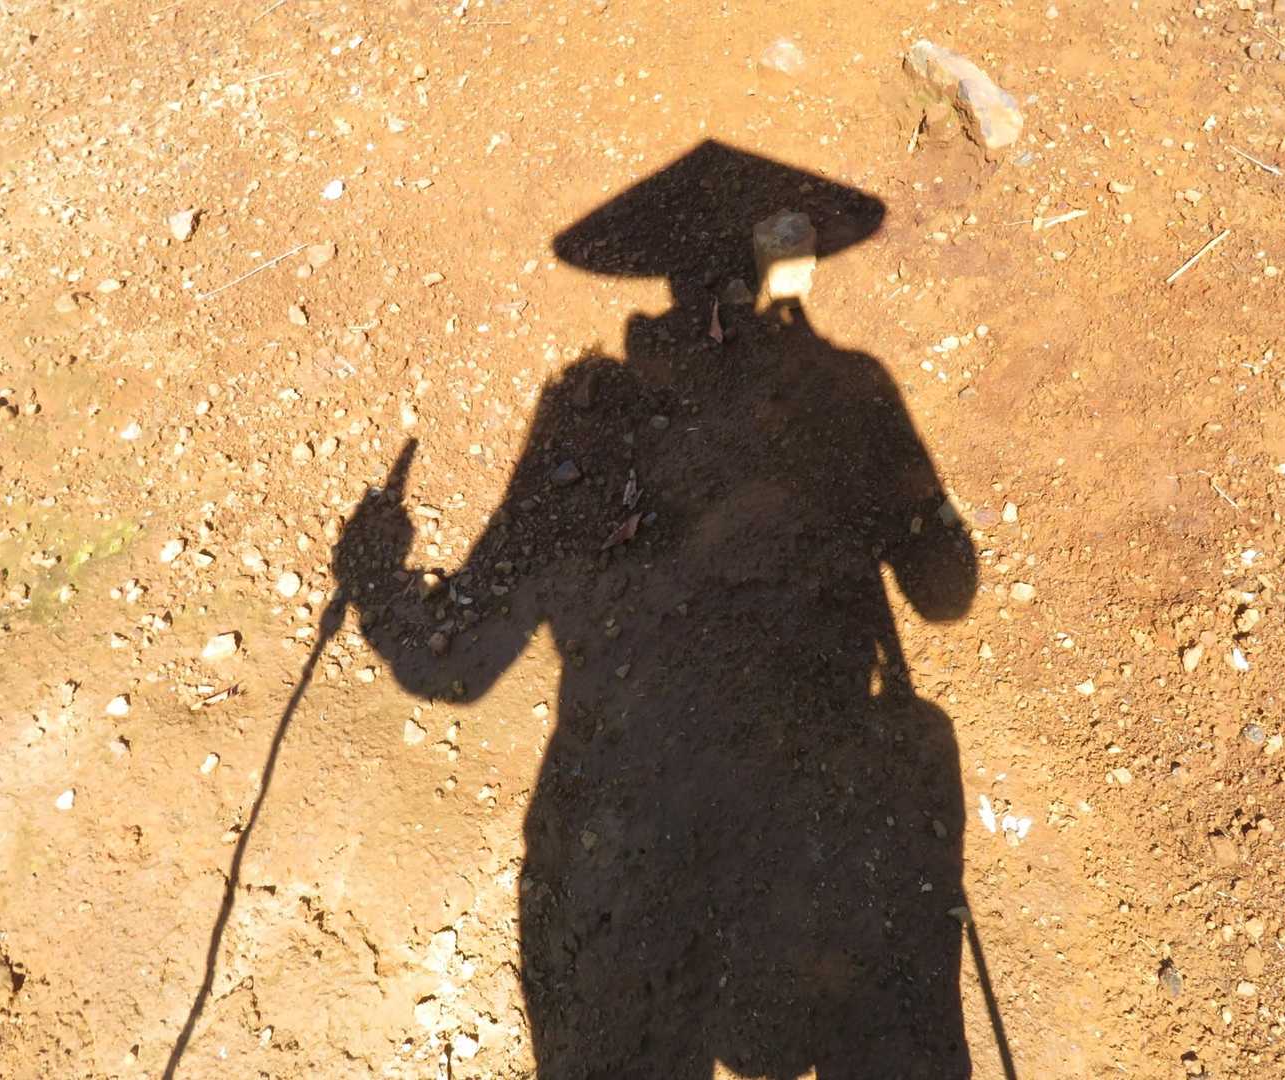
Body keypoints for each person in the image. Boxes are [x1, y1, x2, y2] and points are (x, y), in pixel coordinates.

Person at [333, 141, 979, 1078]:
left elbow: (454, 665)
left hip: (636, 876)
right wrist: (906, 493)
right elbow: (947, 593)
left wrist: (372, 576)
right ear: (772, 268)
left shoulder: (590, 409)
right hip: (820, 862)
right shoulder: (851, 387)